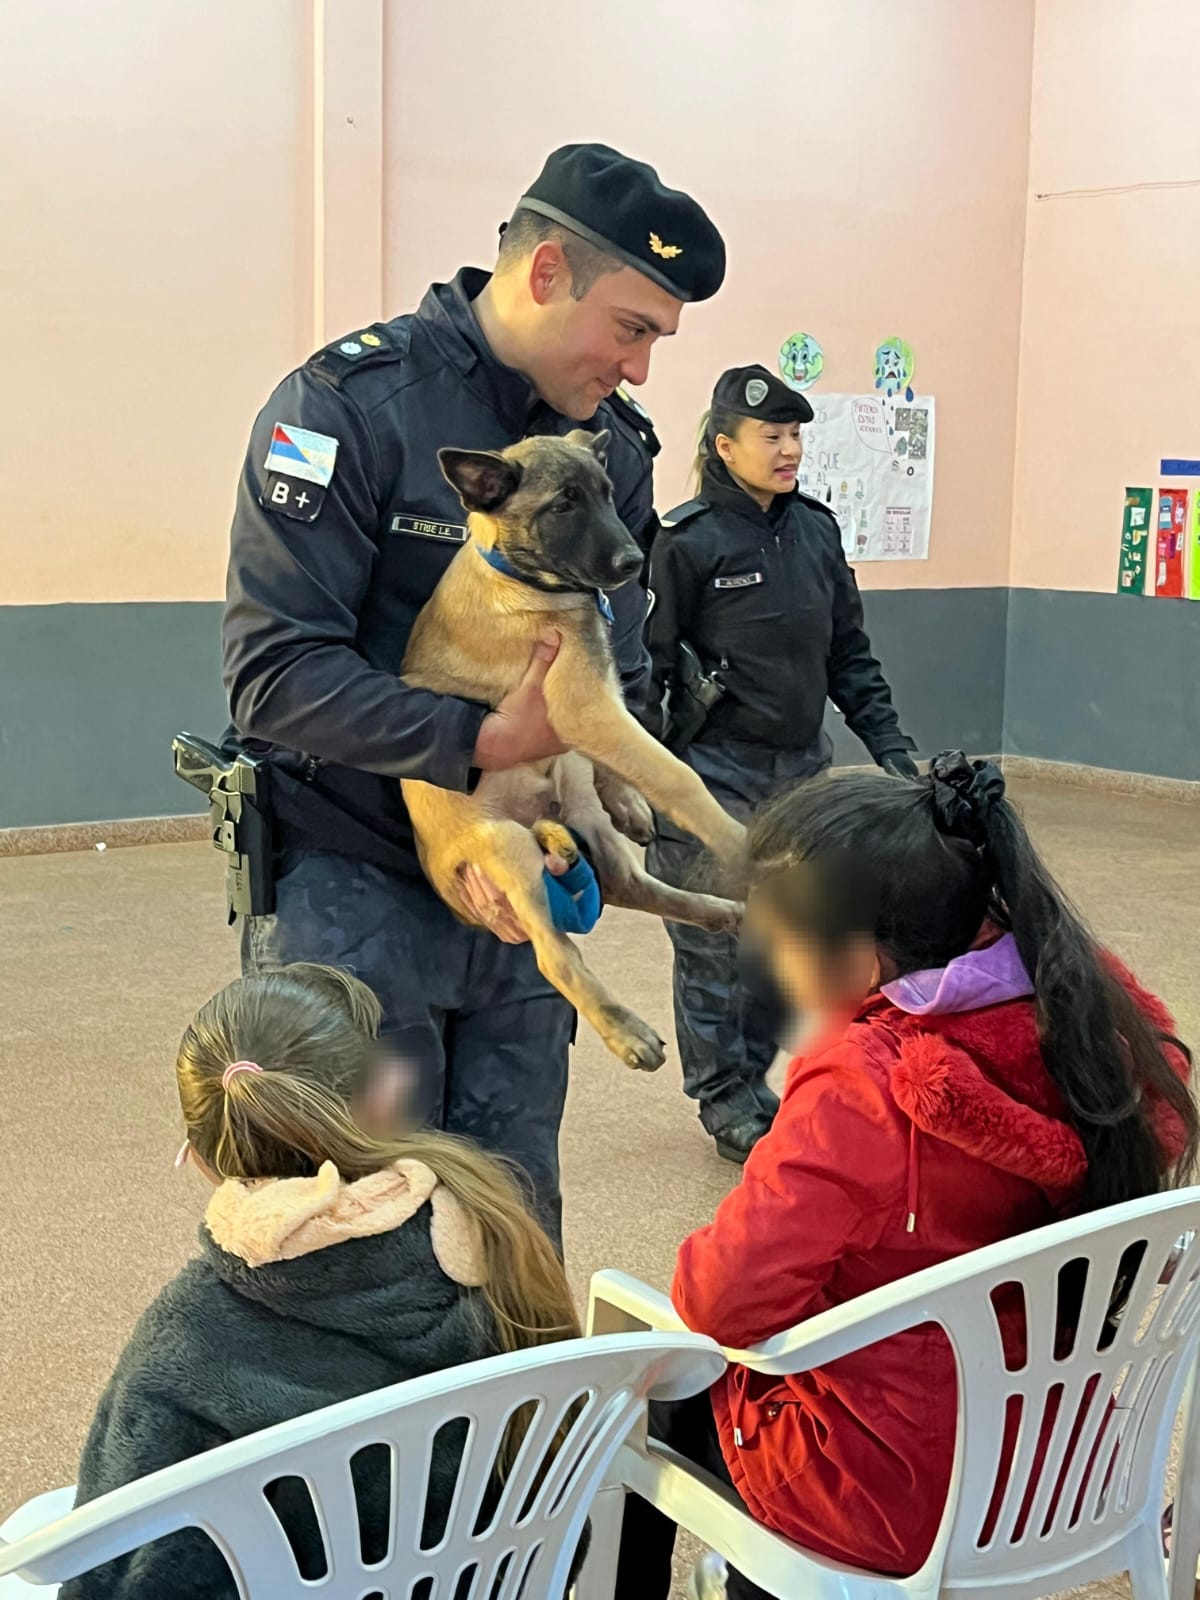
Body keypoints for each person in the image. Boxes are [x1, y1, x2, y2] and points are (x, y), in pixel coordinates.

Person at [220, 144, 725, 1244]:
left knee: (510, 1215)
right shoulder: (347, 407)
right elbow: (273, 673)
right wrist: (480, 740)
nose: (640, 369)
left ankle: (515, 1423)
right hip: (352, 884)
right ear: (547, 272)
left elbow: (617, 665)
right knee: (352, 1225)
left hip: (523, 882)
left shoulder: (608, 453)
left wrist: (572, 818)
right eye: (632, 328)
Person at [616, 754, 1197, 1599]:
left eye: (776, 942)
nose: (768, 962)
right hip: (1065, 1458)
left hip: (895, 1496)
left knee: (651, 1380)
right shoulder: (1093, 1016)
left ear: (856, 967)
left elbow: (721, 1301)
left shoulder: (863, 1085)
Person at [62, 963, 586, 1600]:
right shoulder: (493, 1235)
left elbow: (112, 1574)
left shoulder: (183, 1343)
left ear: (202, 1156)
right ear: (388, 1096)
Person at [643, 363, 918, 1162]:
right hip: (711, 778)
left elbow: (851, 658)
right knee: (713, 946)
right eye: (772, 436)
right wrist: (651, 784)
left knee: (788, 944)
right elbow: (648, 673)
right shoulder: (685, 542)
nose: (789, 448)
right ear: (726, 446)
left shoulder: (816, 532)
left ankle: (756, 1078)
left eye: (796, 433)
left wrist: (893, 751)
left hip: (801, 775)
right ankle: (723, 1096)